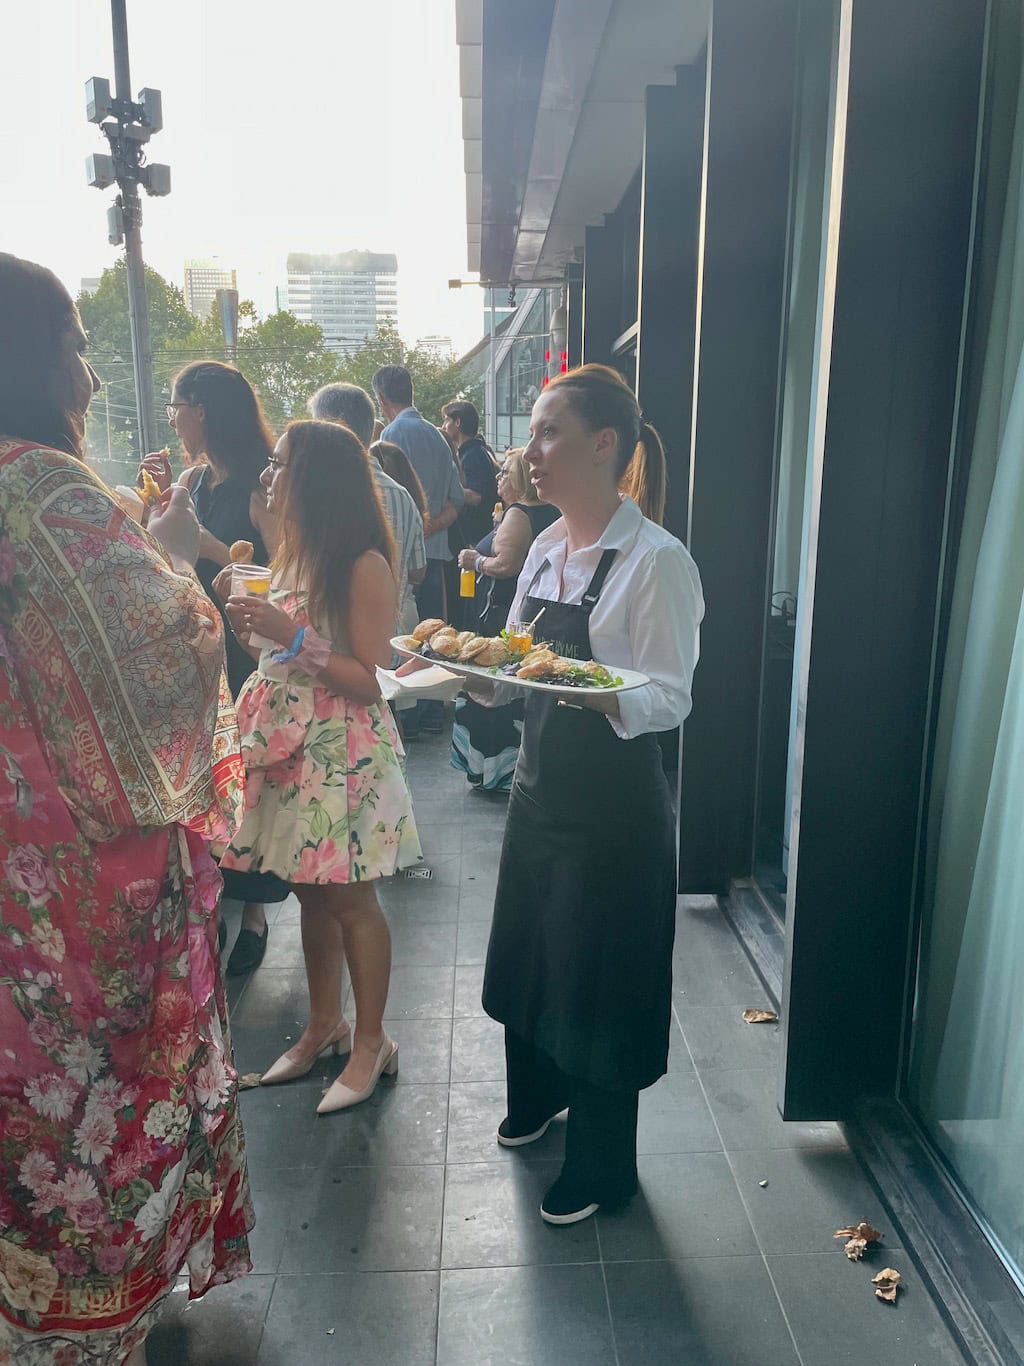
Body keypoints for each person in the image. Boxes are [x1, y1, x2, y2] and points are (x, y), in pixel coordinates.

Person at [0, 254, 252, 1364]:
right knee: (93, 1094)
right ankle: (90, 1313)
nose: (91, 374)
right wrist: (190, 580)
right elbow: (168, 645)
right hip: (70, 871)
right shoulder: (47, 492)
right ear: (35, 357)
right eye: (78, 343)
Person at [480, 364, 703, 1224]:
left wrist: (593, 688)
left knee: (597, 983)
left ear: (604, 444)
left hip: (615, 817)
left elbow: (672, 697)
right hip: (538, 798)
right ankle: (537, 1100)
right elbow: (507, 666)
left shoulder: (658, 562)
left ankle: (605, 1169)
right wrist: (466, 679)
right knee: (531, 956)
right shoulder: (541, 545)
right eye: (533, 434)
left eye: (547, 434)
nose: (531, 453)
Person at [218, 420, 421, 1112]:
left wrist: (291, 635)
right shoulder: (293, 555)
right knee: (309, 889)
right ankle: (324, 1025)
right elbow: (277, 658)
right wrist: (254, 622)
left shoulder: (363, 561)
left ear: (318, 479)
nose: (269, 477)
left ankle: (372, 1043)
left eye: (279, 464)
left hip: (344, 752)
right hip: (292, 748)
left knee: (352, 899)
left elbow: (372, 678)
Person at [143, 360, 287, 976]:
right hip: (198, 653)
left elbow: (286, 575)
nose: (173, 419)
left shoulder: (264, 485)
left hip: (250, 653)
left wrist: (201, 541)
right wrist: (159, 502)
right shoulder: (195, 482)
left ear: (202, 409)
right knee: (211, 781)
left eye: (177, 406)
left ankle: (254, 914)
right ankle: (218, 894)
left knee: (254, 782)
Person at [307, 383, 427, 740]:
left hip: (338, 658)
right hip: (396, 634)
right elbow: (419, 570)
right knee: (385, 730)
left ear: (334, 428)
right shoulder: (402, 494)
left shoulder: (324, 500)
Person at [450, 449, 559, 791]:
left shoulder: (519, 512)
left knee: (492, 688)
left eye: (503, 474)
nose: (497, 479)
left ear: (518, 480)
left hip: (499, 613)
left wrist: (474, 559)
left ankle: (493, 770)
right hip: (519, 612)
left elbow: (507, 565)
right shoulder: (540, 512)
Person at [374, 366, 463, 733]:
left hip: (400, 566)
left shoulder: (389, 438)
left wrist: (416, 527)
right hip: (435, 559)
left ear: (381, 399)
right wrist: (430, 527)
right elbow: (458, 500)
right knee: (432, 642)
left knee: (406, 641)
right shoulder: (438, 435)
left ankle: (407, 716)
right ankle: (429, 710)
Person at [441, 399, 500, 622]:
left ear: (457, 422)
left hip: (474, 538)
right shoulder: (478, 451)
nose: (444, 425)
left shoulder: (472, 455)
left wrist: (448, 489)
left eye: (447, 420)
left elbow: (476, 496)